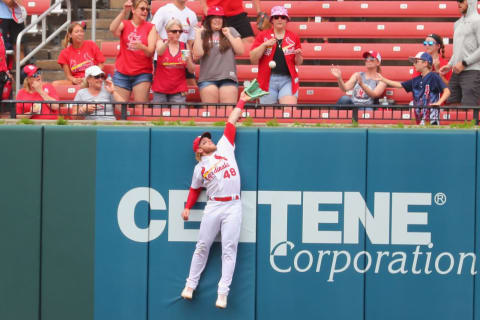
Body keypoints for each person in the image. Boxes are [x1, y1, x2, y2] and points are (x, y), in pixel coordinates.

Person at [180, 89, 253, 309]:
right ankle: (190, 285)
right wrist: (187, 207)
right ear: (200, 150)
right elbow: (194, 190)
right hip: (214, 205)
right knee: (202, 246)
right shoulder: (199, 168)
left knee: (229, 249)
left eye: (207, 139)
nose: (208, 141)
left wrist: (241, 100)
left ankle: (223, 293)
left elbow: (231, 122)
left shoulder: (224, 147)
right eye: (204, 141)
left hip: (233, 204)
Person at [377, 52, 451, 125]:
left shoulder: (434, 76)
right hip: (419, 120)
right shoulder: (416, 80)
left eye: (416, 62)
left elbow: (447, 91)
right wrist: (382, 79)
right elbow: (400, 85)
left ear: (425, 63)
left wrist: (439, 102)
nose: (414, 64)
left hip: (432, 120)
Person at [249, 6, 303, 105]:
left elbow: (298, 63)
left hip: (287, 80)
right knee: (268, 115)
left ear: (287, 20)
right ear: (272, 20)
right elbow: (253, 58)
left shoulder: (294, 37)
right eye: (276, 17)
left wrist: (298, 56)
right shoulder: (263, 36)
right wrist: (264, 45)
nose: (279, 19)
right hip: (267, 80)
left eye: (283, 17)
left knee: (289, 111)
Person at [193, 6, 244, 104]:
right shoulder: (202, 33)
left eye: (220, 17)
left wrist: (228, 35)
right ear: (208, 20)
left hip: (228, 77)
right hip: (207, 78)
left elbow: (240, 51)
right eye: (214, 17)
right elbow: (197, 54)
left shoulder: (231, 30)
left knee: (227, 112)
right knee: (212, 113)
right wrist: (198, 35)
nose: (217, 20)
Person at [109, 0, 157, 104]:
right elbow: (112, 29)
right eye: (142, 9)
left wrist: (142, 47)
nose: (145, 11)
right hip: (122, 72)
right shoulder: (125, 24)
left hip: (142, 73)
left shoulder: (150, 27)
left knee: (141, 108)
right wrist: (123, 12)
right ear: (133, 10)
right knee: (120, 108)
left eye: (147, 9)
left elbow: (150, 52)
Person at [439, 0, 480, 106]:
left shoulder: (478, 21)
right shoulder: (457, 23)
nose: (458, 4)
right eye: (458, 1)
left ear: (471, 2)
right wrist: (449, 65)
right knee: (452, 107)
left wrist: (464, 63)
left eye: (461, 1)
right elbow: (457, 49)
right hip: (456, 71)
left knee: (469, 109)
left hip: (472, 71)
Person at [151, 0, 197, 85]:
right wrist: (164, 46)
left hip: (182, 57)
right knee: (164, 87)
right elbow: (153, 30)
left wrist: (187, 59)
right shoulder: (164, 10)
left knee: (191, 87)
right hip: (164, 57)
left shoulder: (192, 14)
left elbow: (190, 41)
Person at [152, 19, 195, 107]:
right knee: (158, 118)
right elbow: (160, 52)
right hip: (161, 88)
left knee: (178, 117)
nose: (178, 34)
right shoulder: (161, 43)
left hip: (178, 89)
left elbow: (191, 69)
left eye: (180, 31)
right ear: (168, 31)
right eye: (174, 31)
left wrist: (188, 60)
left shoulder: (184, 45)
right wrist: (168, 42)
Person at [54, 21, 106, 86]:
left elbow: (101, 65)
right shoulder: (64, 53)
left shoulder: (91, 44)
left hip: (92, 79)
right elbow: (68, 76)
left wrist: (92, 76)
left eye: (81, 31)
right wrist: (74, 80)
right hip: (77, 82)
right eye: (77, 32)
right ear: (70, 35)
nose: (80, 33)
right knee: (55, 84)